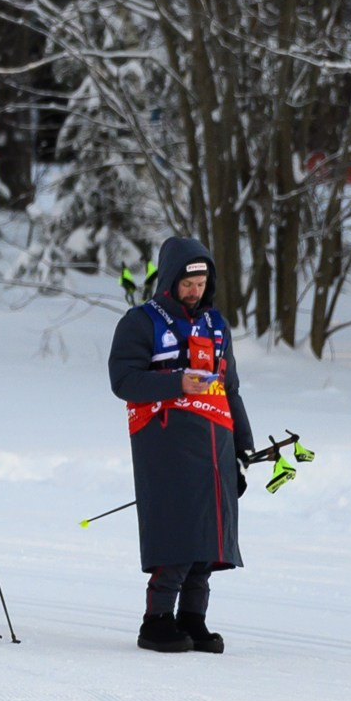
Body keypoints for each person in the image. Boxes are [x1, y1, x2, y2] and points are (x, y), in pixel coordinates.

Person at [107, 230, 255, 651]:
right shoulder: (140, 321)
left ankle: (193, 620)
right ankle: (156, 622)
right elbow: (123, 380)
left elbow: (231, 390)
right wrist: (177, 382)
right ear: (170, 281)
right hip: (166, 445)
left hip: (215, 445)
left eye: (201, 284)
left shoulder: (216, 324)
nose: (194, 292)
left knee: (207, 540)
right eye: (187, 284)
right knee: (178, 534)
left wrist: (243, 450)